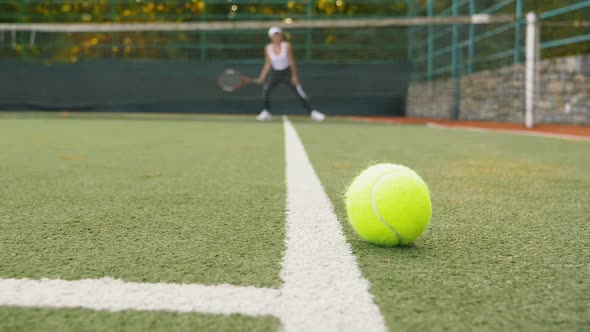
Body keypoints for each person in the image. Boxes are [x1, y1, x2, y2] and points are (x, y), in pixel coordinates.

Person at [255, 26, 325, 122]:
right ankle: (266, 112)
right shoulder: (267, 48)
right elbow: (267, 63)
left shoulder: (287, 45)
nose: (277, 37)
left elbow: (291, 61)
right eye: (274, 35)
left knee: (299, 92)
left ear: (281, 35)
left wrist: (294, 76)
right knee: (266, 91)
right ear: (270, 37)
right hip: (275, 73)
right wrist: (262, 76)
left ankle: (312, 113)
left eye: (278, 34)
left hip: (287, 72)